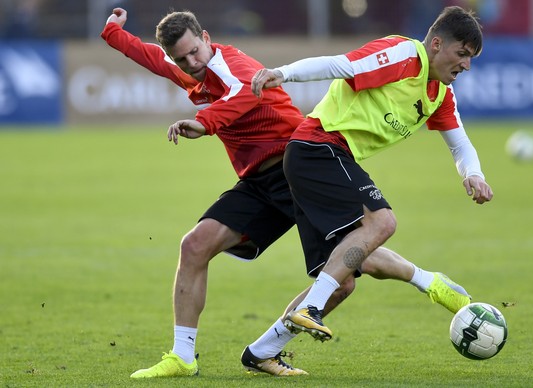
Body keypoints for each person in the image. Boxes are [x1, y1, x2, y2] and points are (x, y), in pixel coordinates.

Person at [102, 7, 473, 379]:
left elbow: (245, 93)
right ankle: (183, 357)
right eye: (182, 59)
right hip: (258, 181)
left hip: (294, 165)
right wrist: (114, 34)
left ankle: (429, 283)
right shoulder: (189, 71)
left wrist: (204, 123)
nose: (191, 62)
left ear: (207, 39)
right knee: (195, 245)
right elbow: (155, 58)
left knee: (349, 268)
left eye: (195, 51)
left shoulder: (231, 65)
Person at [248, 5, 492, 365]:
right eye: (462, 54)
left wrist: (473, 173)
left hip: (326, 159)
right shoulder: (404, 55)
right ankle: (311, 307)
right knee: (382, 222)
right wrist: (283, 73)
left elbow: (460, 144)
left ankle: (260, 352)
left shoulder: (438, 93)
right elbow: (340, 65)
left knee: (343, 279)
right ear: (437, 44)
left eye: (471, 58)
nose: (466, 65)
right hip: (319, 146)